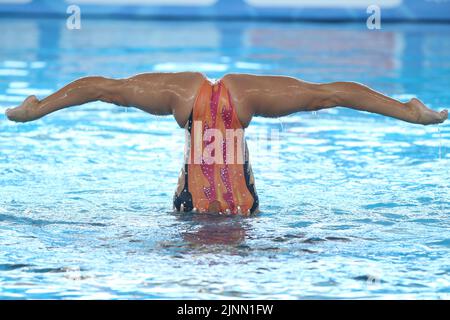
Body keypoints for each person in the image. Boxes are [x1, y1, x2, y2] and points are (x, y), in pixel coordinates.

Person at [5, 72, 448, 215]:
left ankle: (35, 108)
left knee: (110, 89)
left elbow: (100, 87)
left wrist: (38, 110)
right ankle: (409, 110)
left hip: (200, 125)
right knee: (323, 95)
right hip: (212, 122)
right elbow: (334, 94)